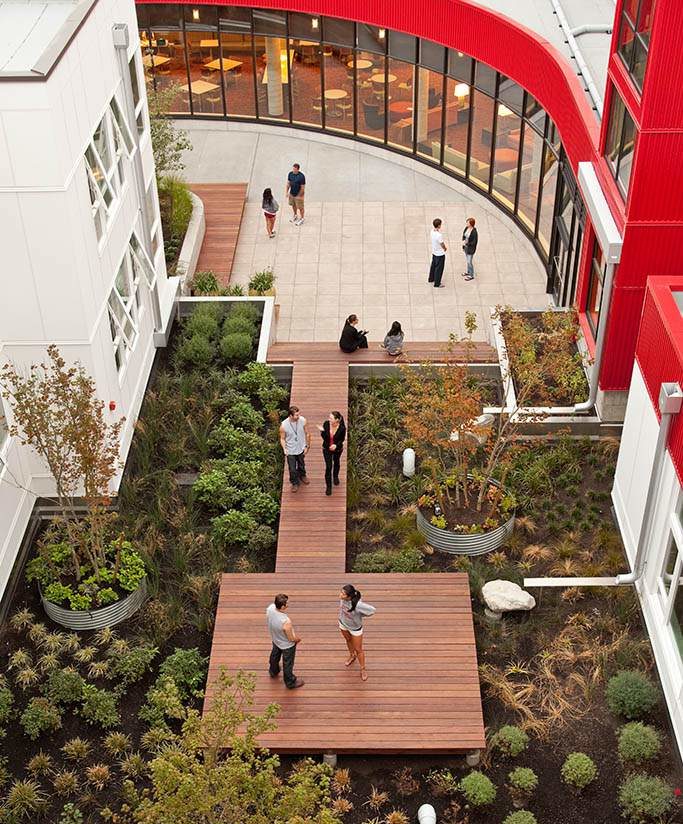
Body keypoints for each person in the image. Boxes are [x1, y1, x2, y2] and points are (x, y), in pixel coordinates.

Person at [338, 584, 376, 681]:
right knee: (348, 640)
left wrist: (360, 615)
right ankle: (352, 655)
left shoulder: (358, 605)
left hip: (355, 629)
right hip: (343, 623)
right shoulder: (342, 599)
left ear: (349, 596)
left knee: (359, 649)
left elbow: (372, 610)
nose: (340, 595)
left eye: (343, 594)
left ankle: (363, 669)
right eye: (341, 592)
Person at [266, 593, 304, 689]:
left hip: (275, 639)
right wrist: (298, 639)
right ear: (283, 607)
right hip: (287, 645)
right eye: (287, 603)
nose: (288, 604)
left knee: (275, 655)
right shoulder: (286, 621)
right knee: (287, 663)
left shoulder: (270, 609)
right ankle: (290, 682)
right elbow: (291, 638)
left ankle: (273, 671)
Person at [279, 405, 311, 493]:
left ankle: (302, 475)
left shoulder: (303, 420)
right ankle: (294, 483)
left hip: (301, 447)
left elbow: (307, 433)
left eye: (299, 414)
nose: (298, 416)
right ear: (290, 416)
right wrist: (284, 449)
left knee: (301, 464)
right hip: (290, 450)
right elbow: (282, 438)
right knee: (292, 469)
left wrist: (307, 446)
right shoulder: (284, 425)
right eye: (296, 415)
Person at [318, 411, 346, 496]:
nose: (329, 419)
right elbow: (325, 438)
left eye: (331, 418)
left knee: (336, 462)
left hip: (337, 449)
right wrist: (322, 431)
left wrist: (336, 445)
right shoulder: (326, 424)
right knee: (329, 467)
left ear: (337, 420)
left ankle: (335, 476)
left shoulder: (342, 428)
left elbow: (342, 439)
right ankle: (328, 487)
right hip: (326, 449)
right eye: (329, 417)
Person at [428, 217, 447, 288]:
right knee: (439, 269)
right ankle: (437, 283)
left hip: (434, 252)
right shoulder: (439, 235)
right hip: (440, 254)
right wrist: (445, 248)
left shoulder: (432, 231)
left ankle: (431, 278)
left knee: (433, 266)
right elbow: (442, 244)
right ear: (439, 225)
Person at [461, 217, 479, 281]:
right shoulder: (466, 228)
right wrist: (463, 241)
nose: (466, 223)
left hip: (470, 249)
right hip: (466, 247)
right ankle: (468, 272)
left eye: (468, 223)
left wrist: (467, 243)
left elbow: (474, 242)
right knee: (467, 261)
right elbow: (464, 234)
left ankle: (471, 275)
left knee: (469, 262)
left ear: (471, 224)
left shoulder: (474, 232)